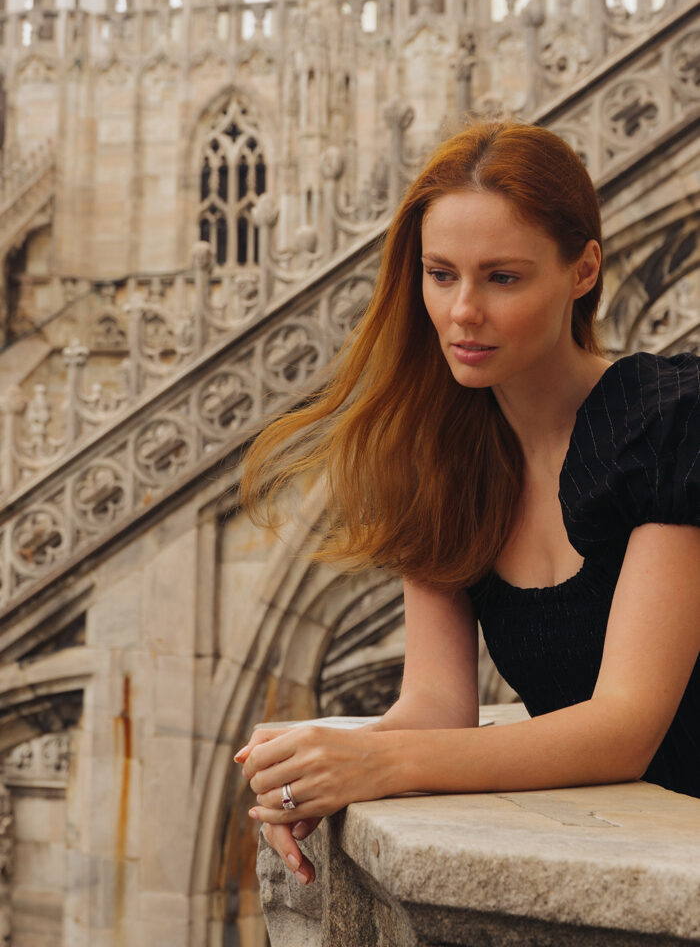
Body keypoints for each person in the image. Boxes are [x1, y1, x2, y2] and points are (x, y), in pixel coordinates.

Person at [234, 118, 700, 888]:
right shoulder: (438, 452)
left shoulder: (671, 421)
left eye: (502, 278)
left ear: (583, 271)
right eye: (441, 274)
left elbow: (626, 728)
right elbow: (437, 705)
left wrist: (373, 761)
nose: (461, 312)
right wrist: (314, 773)